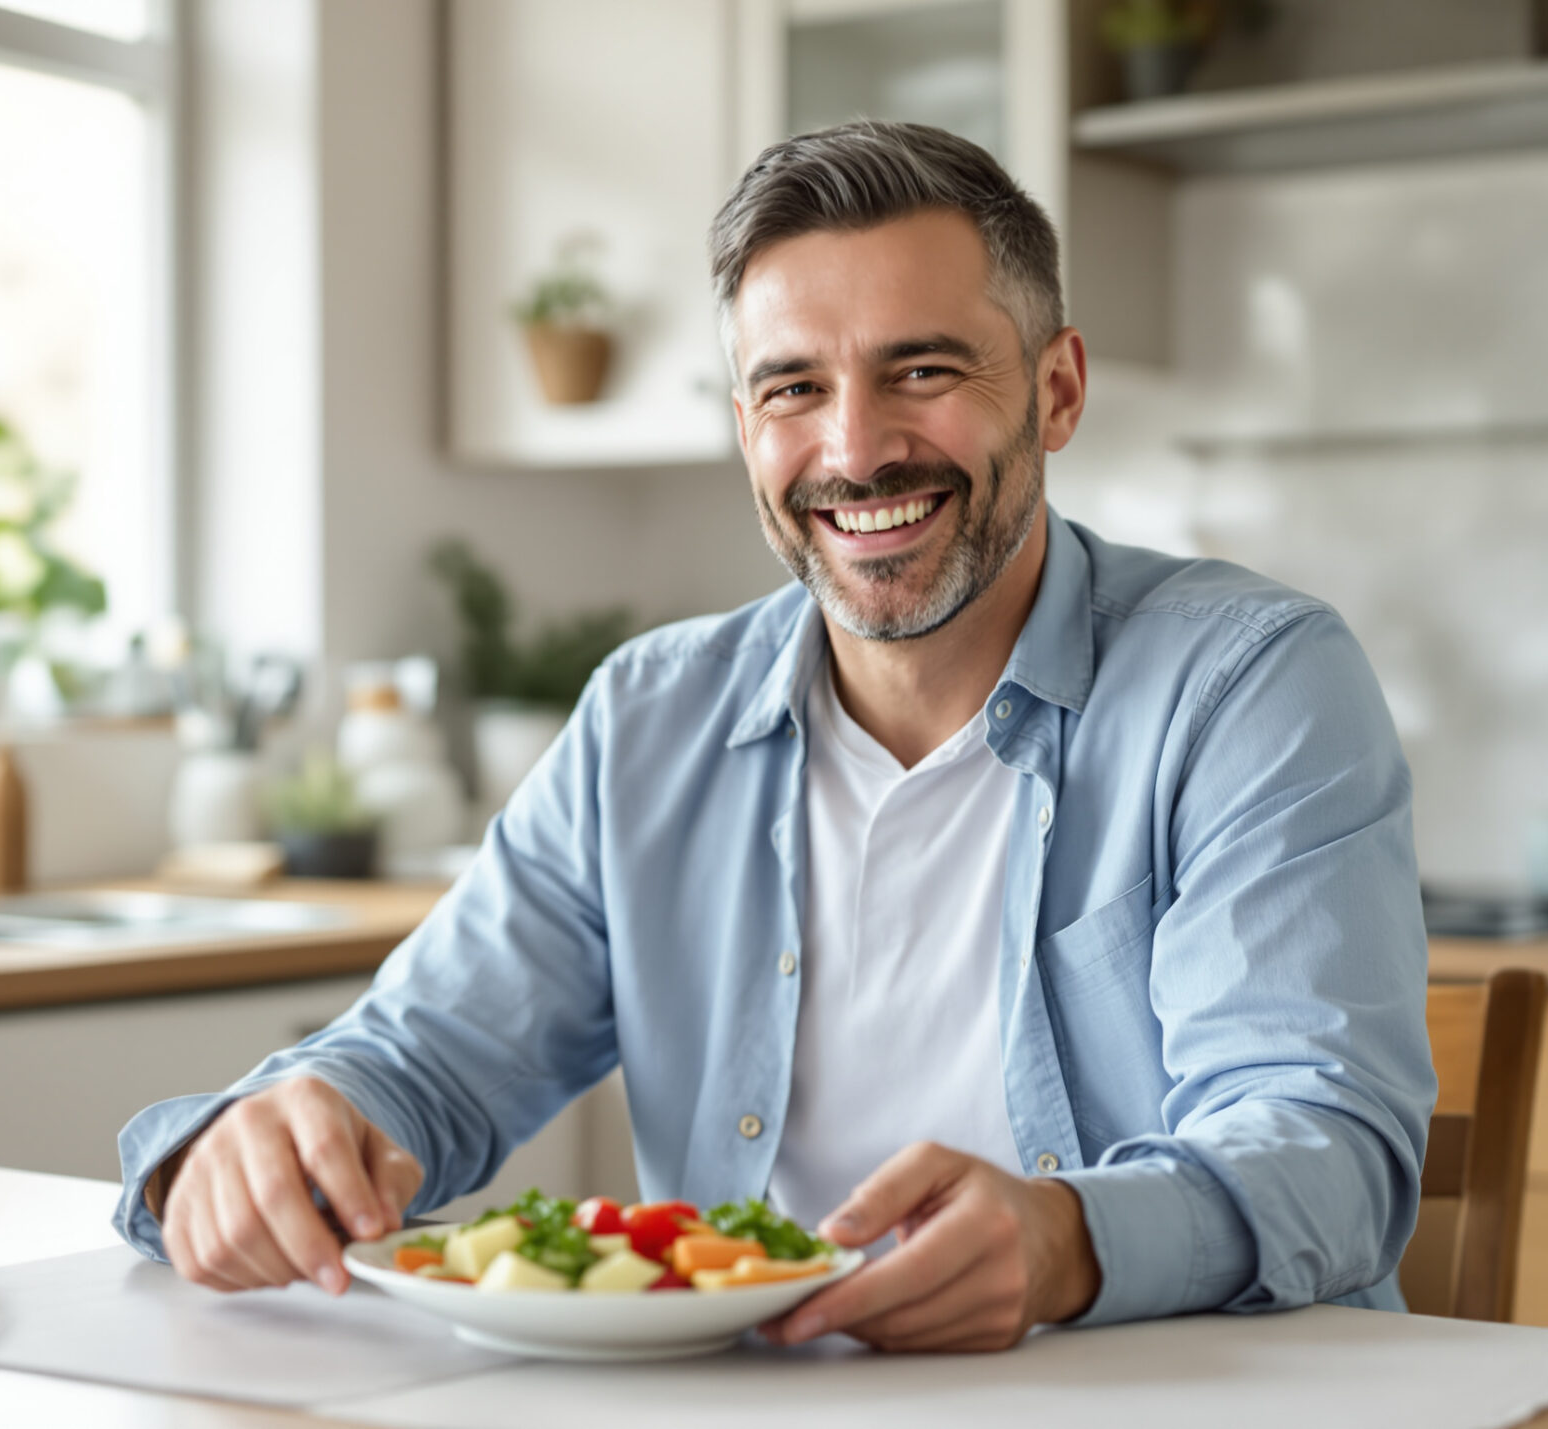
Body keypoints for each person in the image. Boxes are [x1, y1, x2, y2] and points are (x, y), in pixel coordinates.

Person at [114, 120, 1434, 1352]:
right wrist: (266, 1139)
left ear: (1058, 389)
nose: (855, 450)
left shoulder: (1248, 684)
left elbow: (1327, 1147)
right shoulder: (649, 718)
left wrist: (1066, 1241)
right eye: (794, 387)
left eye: (923, 370)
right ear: (746, 427)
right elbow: (422, 1059)